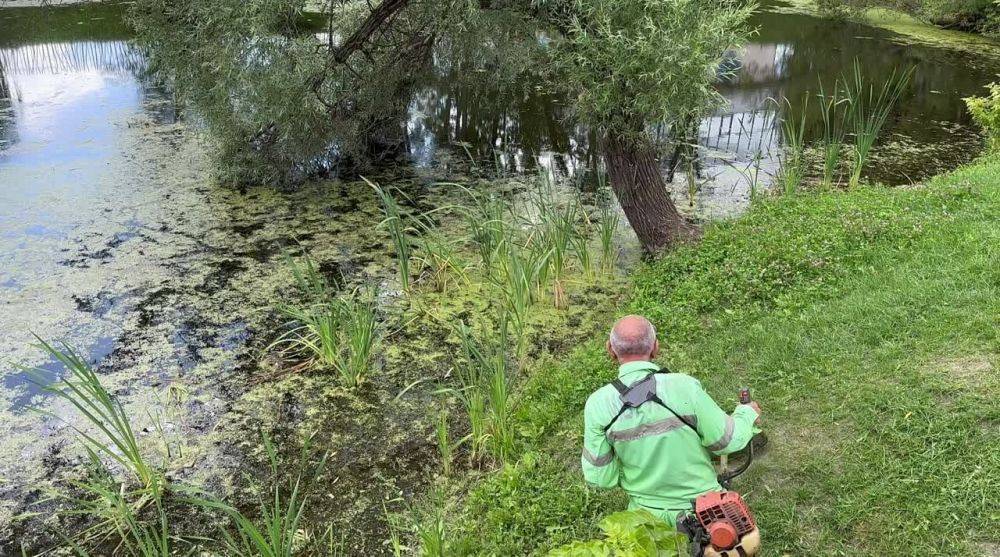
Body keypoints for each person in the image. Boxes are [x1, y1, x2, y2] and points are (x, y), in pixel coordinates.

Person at [581, 315, 761, 527]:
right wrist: (746, 413)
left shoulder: (598, 404)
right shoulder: (685, 387)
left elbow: (600, 478)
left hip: (644, 524)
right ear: (655, 347)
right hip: (706, 514)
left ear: (610, 349)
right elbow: (727, 442)